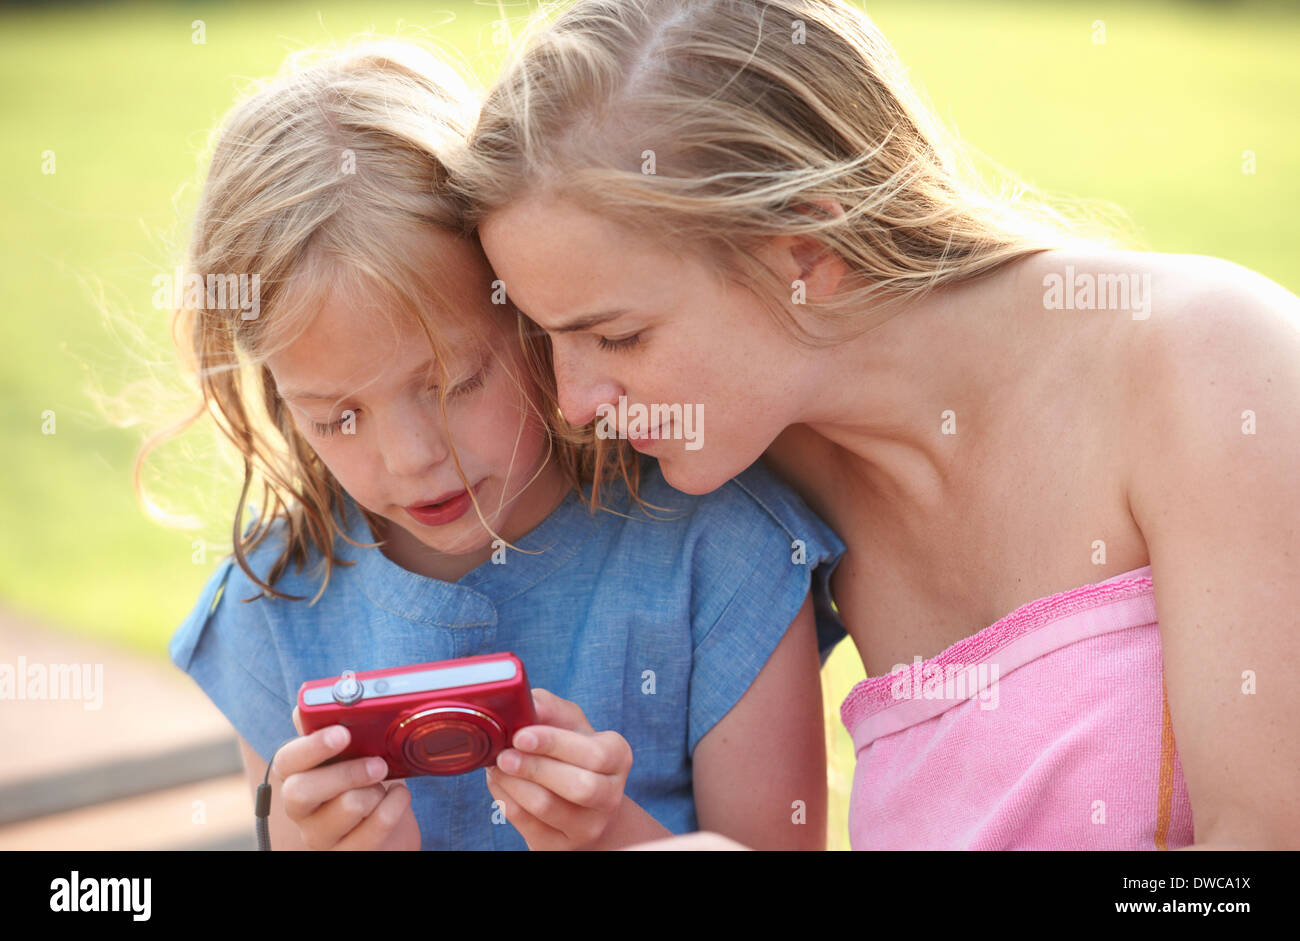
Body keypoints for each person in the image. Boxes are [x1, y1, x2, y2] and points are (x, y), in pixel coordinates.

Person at [452, 0, 1300, 848]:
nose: (575, 402)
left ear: (806, 255)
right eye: (547, 335)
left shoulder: (1212, 364)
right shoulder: (760, 477)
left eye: (618, 335)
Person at [149, 40, 846, 850]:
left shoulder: (721, 554)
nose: (411, 457)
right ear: (278, 395)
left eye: (452, 384)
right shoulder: (274, 606)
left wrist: (609, 833)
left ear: (532, 312)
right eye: (336, 416)